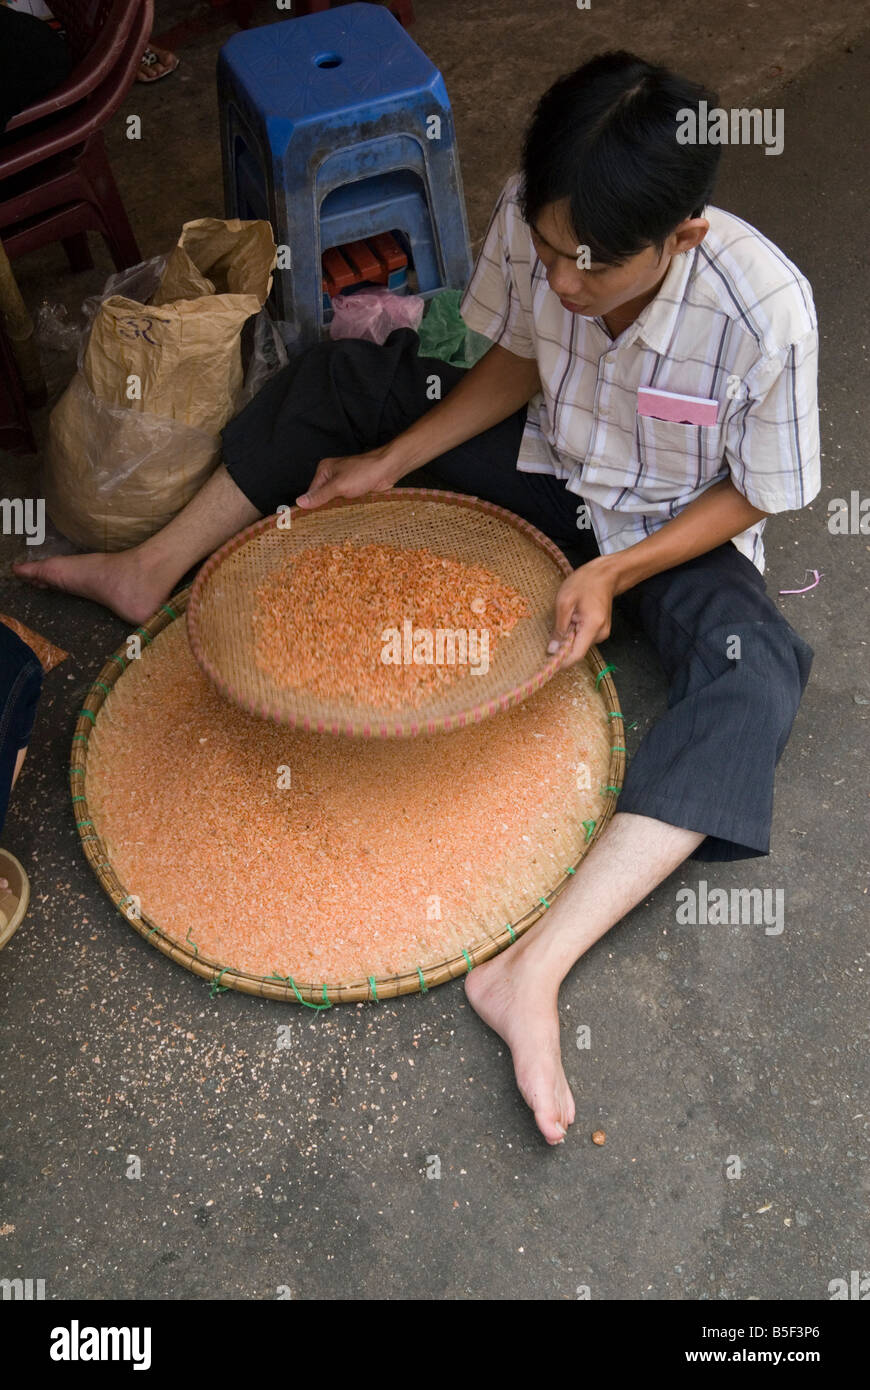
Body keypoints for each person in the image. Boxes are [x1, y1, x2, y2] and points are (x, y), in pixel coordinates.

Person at [14, 52, 819, 1144]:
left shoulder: (765, 311)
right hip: (544, 458)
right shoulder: (537, 222)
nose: (566, 282)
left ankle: (531, 970)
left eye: (594, 267)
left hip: (664, 530)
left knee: (756, 673)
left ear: (683, 237)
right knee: (344, 380)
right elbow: (521, 362)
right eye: (549, 253)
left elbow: (752, 493)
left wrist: (615, 572)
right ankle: (146, 572)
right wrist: (396, 457)